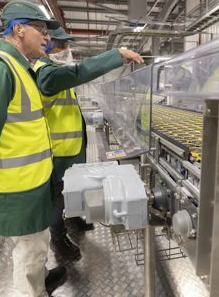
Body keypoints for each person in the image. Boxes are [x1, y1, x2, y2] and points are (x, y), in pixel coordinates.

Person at [0, 0, 66, 297]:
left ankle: (42, 280)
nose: (47, 38)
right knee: (29, 253)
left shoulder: (22, 69)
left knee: (36, 245)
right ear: (18, 29)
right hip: (17, 186)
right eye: (41, 30)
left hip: (32, 180)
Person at [33, 28, 143, 261]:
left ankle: (72, 218)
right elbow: (80, 72)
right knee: (57, 198)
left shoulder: (56, 72)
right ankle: (58, 239)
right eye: (62, 46)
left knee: (67, 192)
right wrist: (116, 55)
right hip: (56, 150)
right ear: (48, 46)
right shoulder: (47, 74)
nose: (67, 51)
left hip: (70, 148)